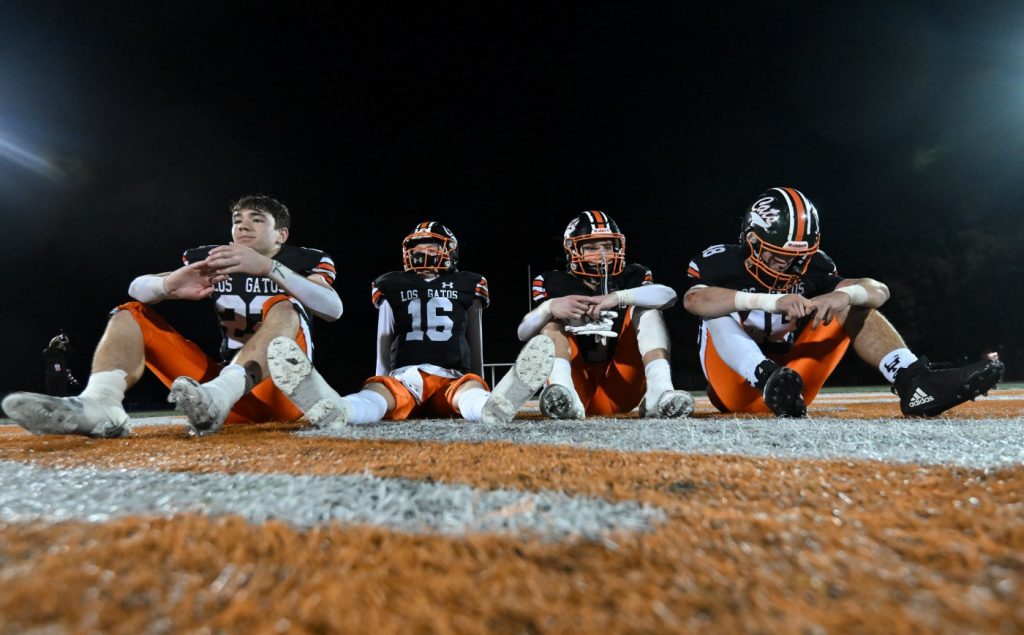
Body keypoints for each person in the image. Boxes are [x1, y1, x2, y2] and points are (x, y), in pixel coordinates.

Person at [2, 194, 342, 437]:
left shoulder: (303, 259)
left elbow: (332, 308)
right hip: (215, 398)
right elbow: (136, 288)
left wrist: (271, 269)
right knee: (130, 313)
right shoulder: (214, 257)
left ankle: (221, 393)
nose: (243, 226)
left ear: (281, 234)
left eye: (257, 219)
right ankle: (100, 405)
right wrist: (168, 284)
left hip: (282, 394)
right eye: (237, 220)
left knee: (283, 306)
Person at [683, 187, 1005, 417]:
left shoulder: (815, 267)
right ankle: (763, 373)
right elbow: (695, 300)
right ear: (751, 240)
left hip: (790, 388)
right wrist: (772, 302)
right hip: (735, 387)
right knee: (718, 312)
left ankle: (914, 382)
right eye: (777, 255)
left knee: (851, 303)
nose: (785, 265)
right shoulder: (722, 263)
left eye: (797, 258)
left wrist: (843, 294)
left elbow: (879, 291)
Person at [267, 221, 554, 427]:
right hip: (405, 374)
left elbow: (473, 335)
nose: (422, 252)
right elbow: (385, 334)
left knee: (469, 392)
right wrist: (382, 377)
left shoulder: (469, 282)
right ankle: (338, 409)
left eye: (431, 245)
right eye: (417, 247)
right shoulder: (391, 282)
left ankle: (492, 404)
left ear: (449, 251)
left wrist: (477, 378)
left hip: (452, 374)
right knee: (379, 393)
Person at [516, 211, 694, 420]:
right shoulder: (553, 281)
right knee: (550, 321)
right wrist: (550, 306)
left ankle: (660, 391)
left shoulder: (633, 276)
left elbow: (668, 296)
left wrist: (618, 297)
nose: (602, 254)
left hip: (621, 384)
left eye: (608, 246)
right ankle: (562, 390)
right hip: (577, 380)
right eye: (591, 247)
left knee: (647, 308)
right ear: (572, 249)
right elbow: (523, 332)